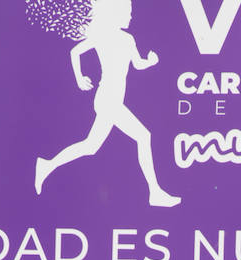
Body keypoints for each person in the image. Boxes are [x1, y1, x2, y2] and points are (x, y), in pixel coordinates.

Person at [35, 0, 180, 206]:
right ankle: (155, 193)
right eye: (128, 13)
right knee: (143, 136)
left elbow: (138, 65)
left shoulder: (128, 39)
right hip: (107, 99)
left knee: (90, 146)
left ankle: (47, 165)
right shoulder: (103, 37)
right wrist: (79, 78)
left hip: (113, 100)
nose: (130, 17)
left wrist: (151, 61)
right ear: (116, 13)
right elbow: (74, 52)